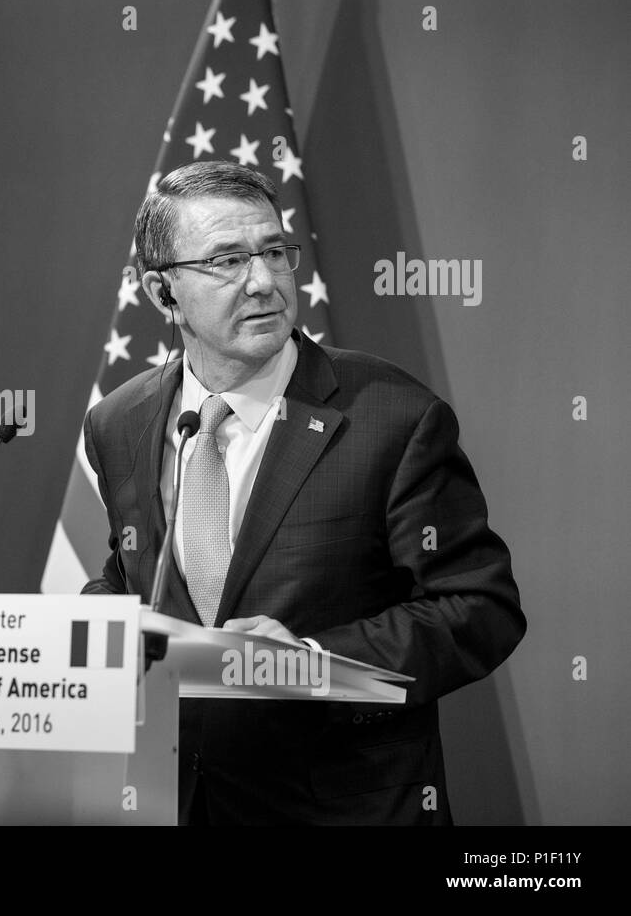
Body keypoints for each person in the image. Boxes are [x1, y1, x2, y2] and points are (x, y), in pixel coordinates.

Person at [80, 160, 525, 825]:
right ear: (161, 291)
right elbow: (132, 568)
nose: (261, 282)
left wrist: (312, 663)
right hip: (173, 802)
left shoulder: (392, 416)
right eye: (227, 260)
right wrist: (94, 626)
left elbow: (479, 608)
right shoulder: (120, 420)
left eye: (273, 251)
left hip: (339, 811)